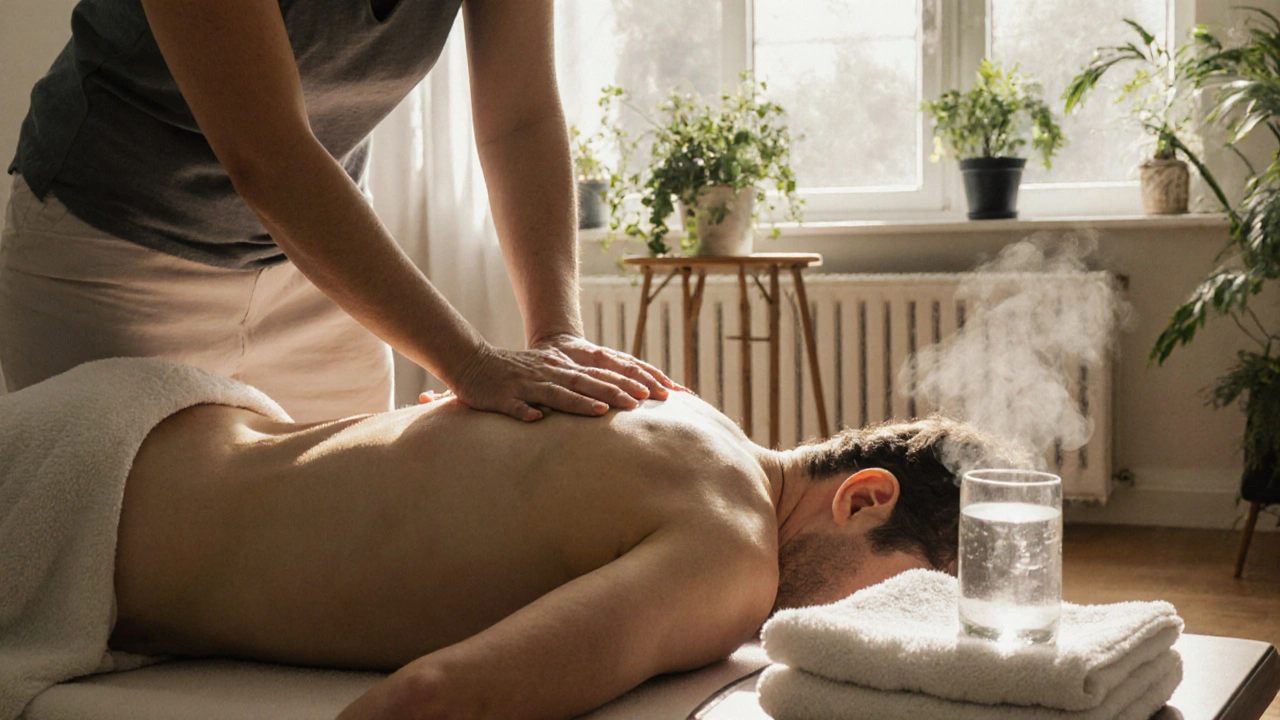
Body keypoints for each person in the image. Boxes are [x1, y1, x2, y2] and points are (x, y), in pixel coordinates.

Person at [109, 387, 1024, 719]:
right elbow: (430, 703)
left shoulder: (679, 407)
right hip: (86, 532)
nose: (871, 628)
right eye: (895, 598)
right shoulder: (732, 556)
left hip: (150, 420)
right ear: (863, 497)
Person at [0, 0, 670, 423]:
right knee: (124, 591)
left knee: (350, 558)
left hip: (314, 275)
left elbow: (520, 120)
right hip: (111, 259)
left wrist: (559, 336)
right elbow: (266, 154)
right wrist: (468, 362)